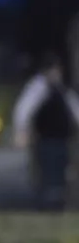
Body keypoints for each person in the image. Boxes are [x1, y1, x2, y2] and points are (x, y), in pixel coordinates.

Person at [13, 56, 79, 211]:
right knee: (47, 174)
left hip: (62, 140)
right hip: (45, 140)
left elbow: (75, 109)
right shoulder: (38, 88)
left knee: (61, 174)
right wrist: (21, 131)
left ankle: (59, 204)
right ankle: (46, 205)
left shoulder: (62, 89)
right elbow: (23, 110)